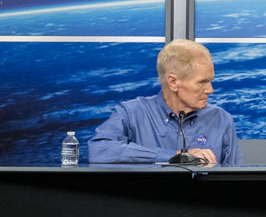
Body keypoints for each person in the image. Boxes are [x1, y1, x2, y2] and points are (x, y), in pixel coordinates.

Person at [89, 39, 242, 165]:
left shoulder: (221, 119)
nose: (210, 89)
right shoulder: (131, 113)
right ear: (173, 82)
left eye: (210, 81)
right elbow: (99, 150)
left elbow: (234, 179)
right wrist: (173, 156)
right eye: (202, 82)